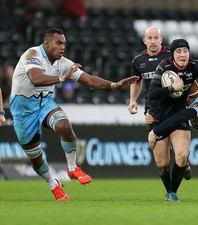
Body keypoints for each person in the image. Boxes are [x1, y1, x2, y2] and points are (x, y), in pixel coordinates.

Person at [9, 28, 137, 201]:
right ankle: (53, 184)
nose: (62, 47)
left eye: (64, 44)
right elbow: (36, 79)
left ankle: (72, 168)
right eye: (58, 43)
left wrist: (114, 85)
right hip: (22, 110)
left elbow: (90, 80)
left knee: (64, 125)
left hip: (44, 103)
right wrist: (63, 78)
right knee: (36, 159)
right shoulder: (32, 54)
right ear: (47, 44)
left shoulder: (63, 63)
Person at [147, 39, 198, 202]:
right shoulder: (163, 66)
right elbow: (152, 93)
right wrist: (171, 88)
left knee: (181, 155)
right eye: (178, 51)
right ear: (173, 54)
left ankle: (172, 193)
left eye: (185, 51)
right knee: (162, 164)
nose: (183, 55)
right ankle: (170, 189)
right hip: (159, 117)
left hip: (179, 116)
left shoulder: (194, 66)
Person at [128, 26, 192, 180]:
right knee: (161, 162)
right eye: (149, 38)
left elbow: (186, 74)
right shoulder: (138, 61)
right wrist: (132, 100)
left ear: (161, 39)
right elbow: (136, 82)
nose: (153, 41)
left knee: (179, 147)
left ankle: (182, 161)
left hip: (174, 106)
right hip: (153, 110)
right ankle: (171, 178)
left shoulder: (171, 55)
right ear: (144, 40)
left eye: (156, 38)